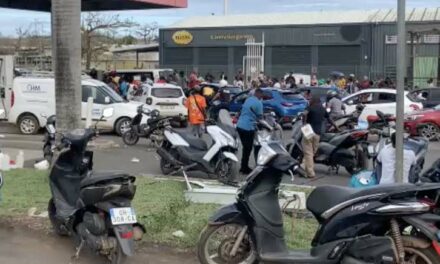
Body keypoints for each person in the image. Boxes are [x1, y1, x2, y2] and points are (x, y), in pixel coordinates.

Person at [302, 96, 335, 178]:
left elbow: (304, 114)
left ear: (313, 101)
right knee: (311, 152)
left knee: (308, 152)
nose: (309, 101)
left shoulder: (310, 107)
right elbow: (329, 119)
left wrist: (304, 123)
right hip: (317, 133)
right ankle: (303, 168)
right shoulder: (322, 109)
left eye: (310, 100)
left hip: (309, 131)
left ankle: (310, 173)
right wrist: (336, 127)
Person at [236, 88, 264, 174]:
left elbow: (244, 111)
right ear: (259, 94)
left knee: (246, 148)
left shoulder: (248, 99)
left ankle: (243, 166)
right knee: (248, 148)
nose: (262, 97)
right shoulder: (258, 103)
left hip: (240, 125)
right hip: (248, 127)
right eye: (262, 95)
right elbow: (260, 117)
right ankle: (244, 168)